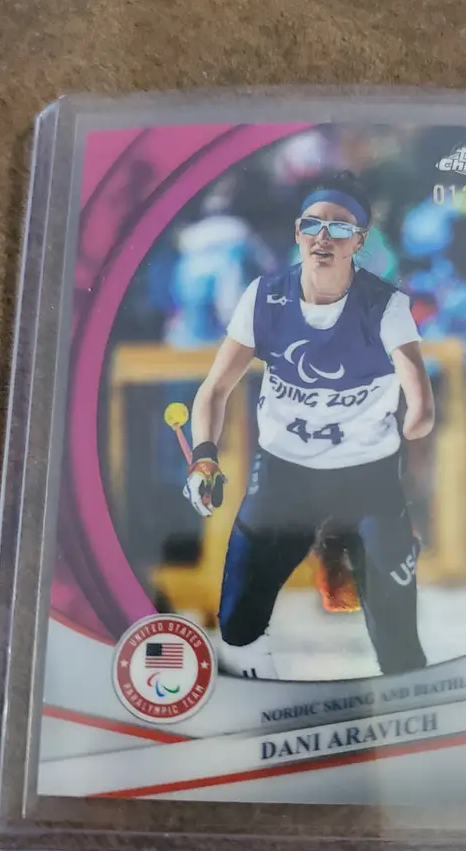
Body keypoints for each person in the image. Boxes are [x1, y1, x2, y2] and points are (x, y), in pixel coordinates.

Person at [183, 172, 435, 679]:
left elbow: (419, 396)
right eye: (313, 224)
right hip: (284, 475)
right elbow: (214, 390)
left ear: (359, 241)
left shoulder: (384, 305)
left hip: (367, 479)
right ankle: (262, 703)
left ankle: (407, 712)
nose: (324, 237)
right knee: (238, 625)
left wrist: (417, 420)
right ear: (298, 233)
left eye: (340, 228)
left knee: (398, 643)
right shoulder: (264, 296)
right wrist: (204, 457)